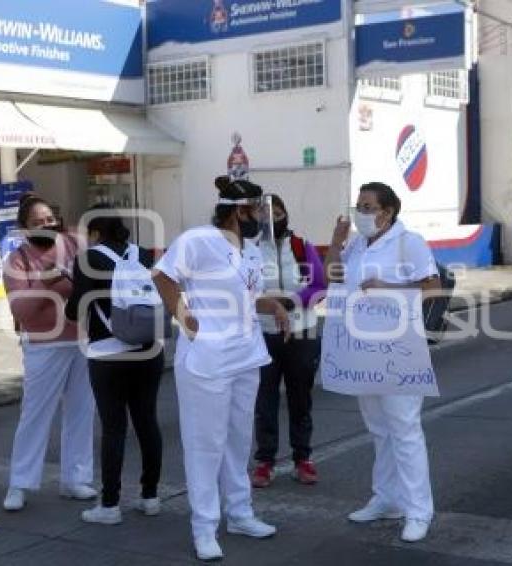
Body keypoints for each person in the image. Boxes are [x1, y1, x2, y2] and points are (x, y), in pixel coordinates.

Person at [153, 177, 291, 562]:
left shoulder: (248, 248)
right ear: (237, 210)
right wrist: (184, 317)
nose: (260, 218)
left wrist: (273, 306)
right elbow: (163, 276)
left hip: (246, 354)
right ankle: (204, 527)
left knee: (237, 438)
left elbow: (245, 296)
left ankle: (240, 513)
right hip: (208, 358)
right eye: (255, 211)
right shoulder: (199, 240)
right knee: (205, 444)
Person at [324, 182, 442, 543]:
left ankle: (418, 510)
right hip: (362, 353)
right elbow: (332, 277)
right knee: (379, 430)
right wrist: (336, 241)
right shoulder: (359, 243)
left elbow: (433, 289)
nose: (361, 212)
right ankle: (386, 499)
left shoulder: (409, 243)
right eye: (358, 205)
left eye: (368, 206)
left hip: (398, 353)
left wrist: (387, 287)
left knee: (404, 430)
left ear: (387, 212)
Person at [65, 205, 165, 525]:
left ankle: (109, 505)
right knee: (147, 421)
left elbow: (73, 310)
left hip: (109, 354)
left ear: (95, 233)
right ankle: (150, 496)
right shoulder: (145, 255)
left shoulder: (88, 260)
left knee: (114, 427)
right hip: (148, 349)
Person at [1, 194, 97, 512]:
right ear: (24, 228)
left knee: (82, 412)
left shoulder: (75, 243)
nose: (46, 225)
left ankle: (76, 479)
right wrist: (49, 282)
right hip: (44, 345)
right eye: (37, 222)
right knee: (35, 415)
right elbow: (22, 309)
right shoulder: (18, 260)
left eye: (48, 219)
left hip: (82, 340)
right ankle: (20, 483)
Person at [252, 194, 326, 488]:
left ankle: (302, 458)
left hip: (301, 333)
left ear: (286, 213)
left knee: (300, 398)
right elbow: (243, 289)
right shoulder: (251, 250)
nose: (271, 217)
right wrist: (270, 305)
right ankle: (265, 462)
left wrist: (290, 301)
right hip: (264, 334)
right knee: (265, 400)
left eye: (277, 211)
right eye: (264, 213)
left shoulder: (301, 246)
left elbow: (320, 286)